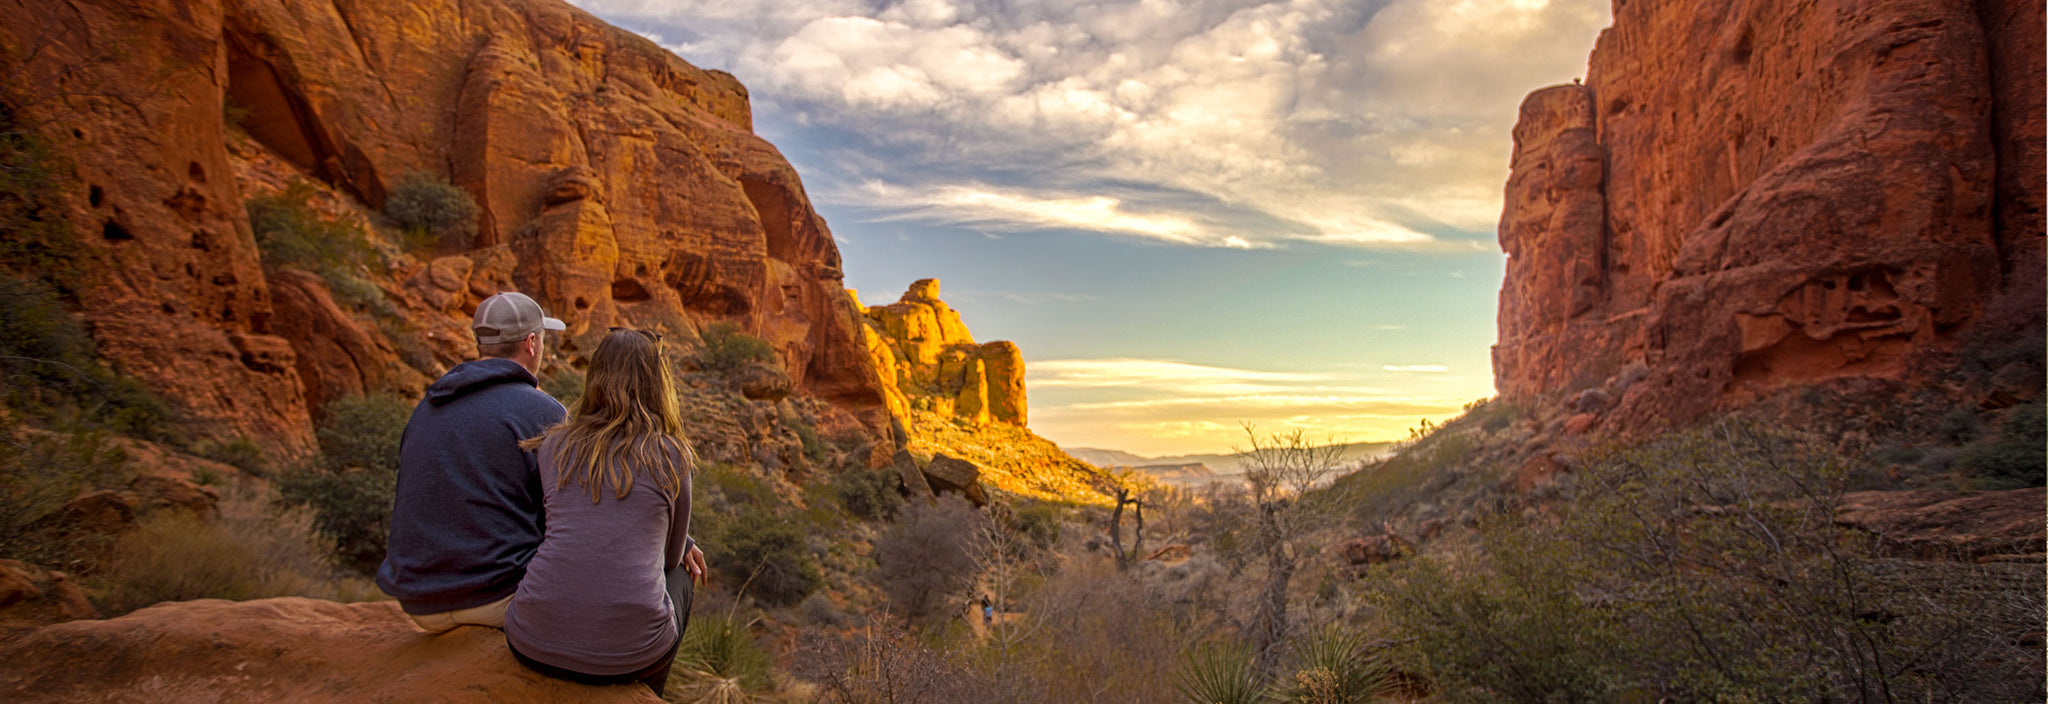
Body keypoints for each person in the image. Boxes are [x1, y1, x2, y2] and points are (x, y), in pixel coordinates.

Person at [504, 327, 707, 697]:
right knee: (681, 573)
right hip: (631, 657)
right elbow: (670, 558)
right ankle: (645, 691)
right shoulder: (673, 455)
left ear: (595, 375)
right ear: (657, 384)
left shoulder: (553, 445)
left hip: (531, 640)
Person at [376, 291, 567, 632]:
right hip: (499, 598)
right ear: (533, 343)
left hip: (420, 602)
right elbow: (572, 512)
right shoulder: (544, 412)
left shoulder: (428, 406)